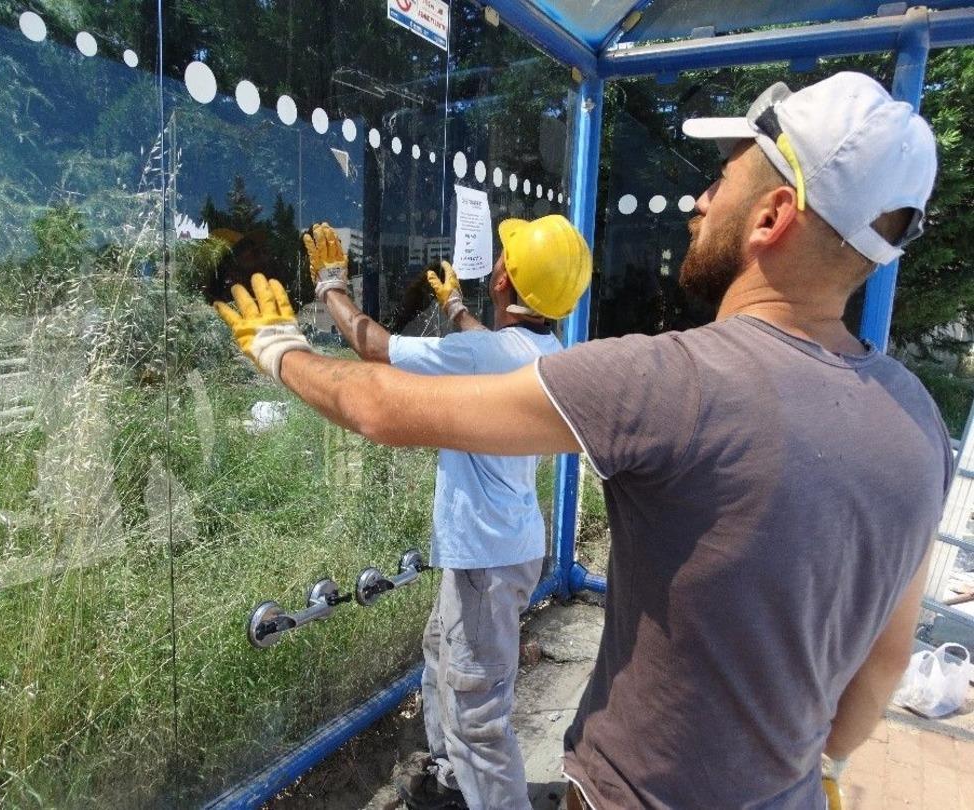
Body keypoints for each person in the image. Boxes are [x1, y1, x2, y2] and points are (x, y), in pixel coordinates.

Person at [214, 71, 952, 809]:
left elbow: (381, 405)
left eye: (724, 178)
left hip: (628, 796)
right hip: (788, 795)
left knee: (474, 698)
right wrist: (828, 766)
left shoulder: (673, 382)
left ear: (773, 216)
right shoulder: (917, 423)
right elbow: (885, 663)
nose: (701, 199)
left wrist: (282, 346)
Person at [299, 216, 591, 810]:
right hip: (501, 550)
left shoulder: (485, 352)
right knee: (441, 654)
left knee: (478, 716)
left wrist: (331, 285)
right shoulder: (545, 351)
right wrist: (455, 304)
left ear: (505, 276)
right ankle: (451, 783)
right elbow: (489, 343)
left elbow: (373, 347)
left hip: (486, 561)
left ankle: (484, 795)